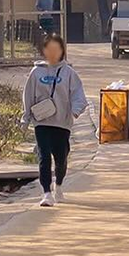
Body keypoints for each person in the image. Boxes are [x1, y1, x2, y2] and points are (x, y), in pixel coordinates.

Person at [21, 32, 88, 207]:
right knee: (44, 157)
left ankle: (58, 186)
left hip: (62, 122)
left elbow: (78, 95)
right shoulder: (36, 72)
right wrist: (25, 117)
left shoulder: (69, 73)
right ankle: (46, 193)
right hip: (42, 121)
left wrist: (75, 110)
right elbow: (27, 95)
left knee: (61, 157)